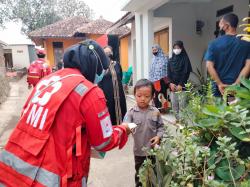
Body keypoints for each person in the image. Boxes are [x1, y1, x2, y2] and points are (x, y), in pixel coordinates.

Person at [0, 40, 131, 186]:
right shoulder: (90, 92)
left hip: (11, 170)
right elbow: (103, 142)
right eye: (101, 69)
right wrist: (124, 129)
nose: (101, 74)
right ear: (93, 65)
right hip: (51, 177)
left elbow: (28, 114)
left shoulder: (47, 81)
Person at [123, 79, 164, 187]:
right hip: (139, 152)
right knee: (140, 175)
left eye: (146, 96)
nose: (142, 99)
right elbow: (125, 125)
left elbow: (161, 127)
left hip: (153, 151)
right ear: (134, 94)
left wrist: (158, 137)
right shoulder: (131, 113)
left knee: (153, 175)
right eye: (139, 95)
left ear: (152, 96)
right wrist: (128, 128)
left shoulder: (155, 112)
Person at [205, 13, 250, 97]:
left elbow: (209, 66)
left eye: (221, 23)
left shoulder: (214, 44)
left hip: (219, 90)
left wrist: (220, 84)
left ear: (226, 26)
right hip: (240, 90)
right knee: (235, 110)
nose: (219, 26)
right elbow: (248, 65)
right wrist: (236, 84)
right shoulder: (246, 44)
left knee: (220, 109)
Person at [98, 45, 127, 125]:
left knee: (121, 111)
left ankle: (121, 130)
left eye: (109, 52)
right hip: (107, 95)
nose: (108, 54)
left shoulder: (117, 64)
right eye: (105, 53)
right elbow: (99, 81)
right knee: (109, 113)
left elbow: (120, 76)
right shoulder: (100, 67)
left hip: (119, 94)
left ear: (112, 53)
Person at [168, 41, 192, 121]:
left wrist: (181, 84)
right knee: (174, 104)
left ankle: (182, 121)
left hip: (182, 86)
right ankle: (177, 120)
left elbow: (186, 73)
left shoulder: (185, 60)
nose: (176, 49)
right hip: (173, 87)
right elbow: (169, 73)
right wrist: (171, 83)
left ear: (182, 48)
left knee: (182, 105)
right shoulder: (170, 60)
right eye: (174, 48)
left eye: (178, 48)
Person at [149, 44, 169, 113]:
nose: (154, 51)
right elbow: (151, 70)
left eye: (155, 50)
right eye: (153, 50)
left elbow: (166, 69)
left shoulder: (164, 58)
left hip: (162, 81)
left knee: (162, 95)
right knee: (155, 96)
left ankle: (163, 109)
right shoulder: (153, 59)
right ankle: (156, 109)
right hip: (154, 81)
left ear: (159, 50)